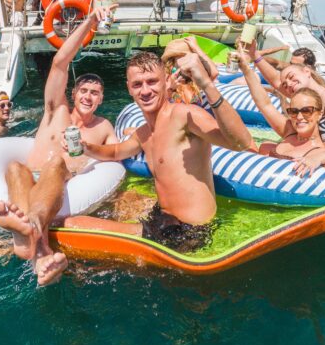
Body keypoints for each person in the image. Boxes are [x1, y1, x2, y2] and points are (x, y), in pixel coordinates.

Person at [64, 51, 254, 252]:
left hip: (189, 232)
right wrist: (86, 147)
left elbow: (241, 143)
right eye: (137, 84)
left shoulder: (184, 115)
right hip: (163, 219)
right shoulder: (144, 133)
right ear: (129, 88)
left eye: (152, 81)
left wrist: (207, 84)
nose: (145, 91)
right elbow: (116, 151)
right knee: (121, 201)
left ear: (166, 81)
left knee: (72, 224)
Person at [0, 5, 118, 285]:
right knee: (14, 167)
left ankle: (30, 230)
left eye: (95, 93)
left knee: (58, 163)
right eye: (83, 90)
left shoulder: (103, 128)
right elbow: (60, 62)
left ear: (101, 99)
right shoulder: (57, 111)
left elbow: (117, 156)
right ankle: (38, 247)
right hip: (31, 180)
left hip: (61, 182)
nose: (88, 96)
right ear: (72, 93)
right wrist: (90, 22)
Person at [237, 42, 325, 179]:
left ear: (307, 71)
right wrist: (254, 55)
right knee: (265, 147)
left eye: (291, 77)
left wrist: (319, 157)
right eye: (285, 84)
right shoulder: (302, 97)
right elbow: (273, 87)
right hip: (305, 150)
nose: (288, 84)